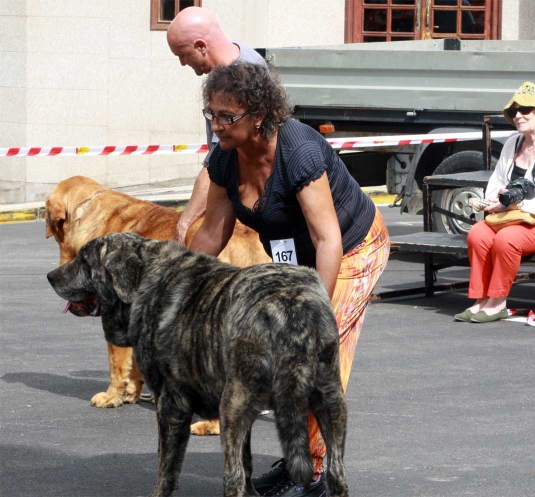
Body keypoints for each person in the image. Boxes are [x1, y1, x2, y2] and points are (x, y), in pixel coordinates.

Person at [191, 61, 390, 496]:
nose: (217, 125)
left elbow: (328, 239)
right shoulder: (225, 158)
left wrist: (314, 310)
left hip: (354, 249)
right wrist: (172, 279)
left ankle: (316, 474)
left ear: (258, 115)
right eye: (212, 114)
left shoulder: (297, 150)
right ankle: (300, 461)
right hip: (297, 261)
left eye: (228, 116)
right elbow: (212, 231)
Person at [454, 82, 535, 323]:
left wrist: (516, 206)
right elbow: (496, 183)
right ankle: (480, 299)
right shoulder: (513, 143)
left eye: (525, 110)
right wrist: (493, 200)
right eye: (514, 111)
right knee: (478, 233)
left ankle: (498, 301)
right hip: (518, 220)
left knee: (507, 239)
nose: (518, 116)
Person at [166, 7, 266, 244]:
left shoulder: (239, 78)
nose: (182, 63)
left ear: (201, 46)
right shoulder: (234, 61)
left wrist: (184, 223)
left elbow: (217, 162)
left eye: (182, 54)